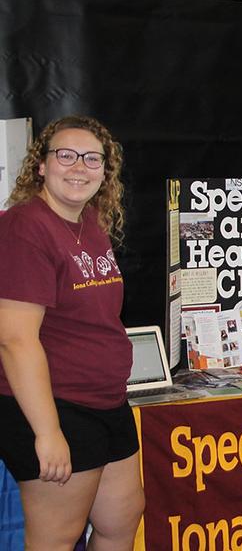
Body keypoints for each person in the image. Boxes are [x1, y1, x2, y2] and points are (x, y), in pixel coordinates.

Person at [0, 115, 144, 549]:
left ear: (105, 171)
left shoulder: (91, 223)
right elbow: (14, 339)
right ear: (41, 165)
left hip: (106, 401)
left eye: (92, 159)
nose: (79, 167)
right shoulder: (24, 228)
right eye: (66, 155)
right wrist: (47, 432)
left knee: (122, 518)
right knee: (56, 538)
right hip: (55, 405)